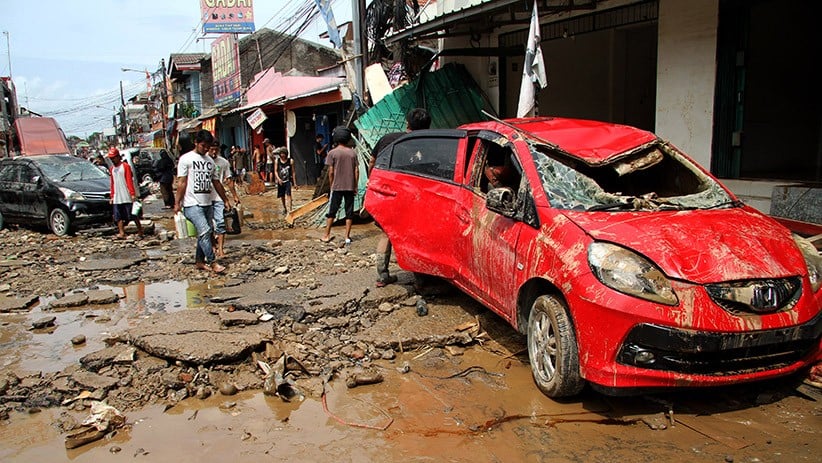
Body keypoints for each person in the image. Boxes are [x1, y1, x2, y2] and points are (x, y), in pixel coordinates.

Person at [369, 108, 431, 287]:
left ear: (407, 123)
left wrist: (373, 182)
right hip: (413, 195)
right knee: (414, 235)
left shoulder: (387, 139)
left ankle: (383, 276)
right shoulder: (429, 143)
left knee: (386, 233)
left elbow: (372, 161)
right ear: (428, 126)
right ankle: (420, 278)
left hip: (387, 192)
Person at [174, 130, 231, 274]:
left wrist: (225, 200)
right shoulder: (186, 159)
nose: (206, 149)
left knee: (204, 233)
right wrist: (177, 203)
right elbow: (181, 182)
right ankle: (213, 262)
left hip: (207, 203)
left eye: (208, 146)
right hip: (191, 204)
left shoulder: (210, 161)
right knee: (205, 231)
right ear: (196, 143)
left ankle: (199, 261)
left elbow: (216, 183)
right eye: (203, 146)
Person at [320, 126, 359, 245]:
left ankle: (326, 235)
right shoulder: (353, 153)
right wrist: (355, 185)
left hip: (337, 186)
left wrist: (332, 185)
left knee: (332, 211)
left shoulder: (332, 153)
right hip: (350, 186)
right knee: (349, 212)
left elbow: (331, 172)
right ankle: (347, 237)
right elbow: (356, 171)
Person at [209, 141, 240, 257]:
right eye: (211, 149)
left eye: (216, 150)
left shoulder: (223, 162)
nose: (214, 152)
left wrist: (234, 195)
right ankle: (213, 246)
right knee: (209, 225)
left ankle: (221, 249)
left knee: (220, 223)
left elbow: (229, 181)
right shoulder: (203, 161)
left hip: (219, 197)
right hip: (205, 198)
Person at [107, 146, 144, 239]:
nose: (112, 160)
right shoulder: (112, 169)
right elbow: (112, 183)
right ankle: (121, 232)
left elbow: (129, 181)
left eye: (113, 158)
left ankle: (140, 231)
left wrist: (132, 194)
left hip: (126, 195)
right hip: (117, 196)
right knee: (118, 216)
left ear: (118, 157)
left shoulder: (125, 166)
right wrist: (112, 195)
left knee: (133, 214)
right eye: (111, 158)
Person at [274, 146, 297, 214]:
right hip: (280, 181)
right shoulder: (277, 161)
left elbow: (293, 172)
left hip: (288, 181)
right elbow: (275, 171)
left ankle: (290, 210)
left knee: (289, 195)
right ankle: (285, 208)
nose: (282, 155)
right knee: (282, 196)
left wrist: (295, 183)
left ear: (286, 154)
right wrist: (278, 179)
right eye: (281, 153)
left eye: (283, 153)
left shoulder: (290, 161)